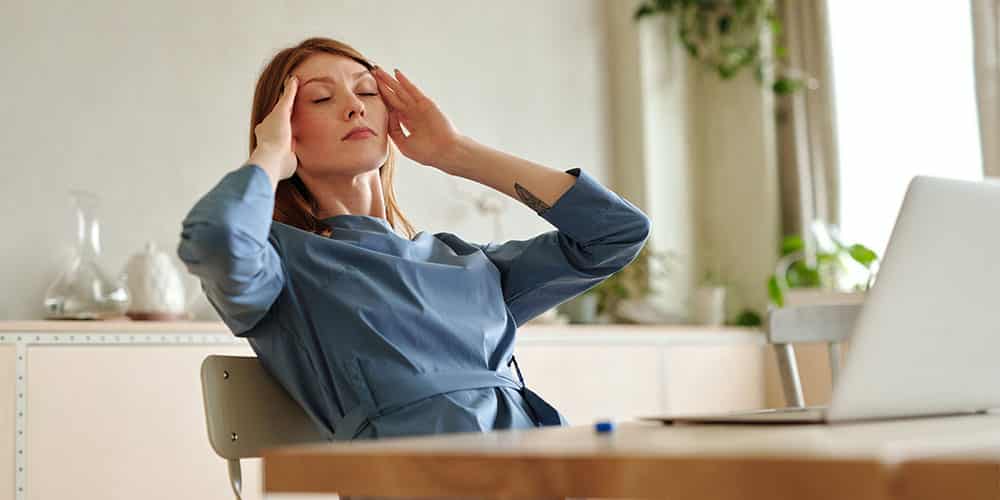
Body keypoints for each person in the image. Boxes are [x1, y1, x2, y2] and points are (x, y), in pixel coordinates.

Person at [177, 37, 651, 441]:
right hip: (416, 477)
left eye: (367, 91)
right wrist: (269, 155)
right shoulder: (282, 263)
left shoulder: (461, 260)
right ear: (284, 129)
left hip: (537, 460)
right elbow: (215, 237)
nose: (355, 105)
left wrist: (455, 152)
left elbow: (616, 234)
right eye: (321, 99)